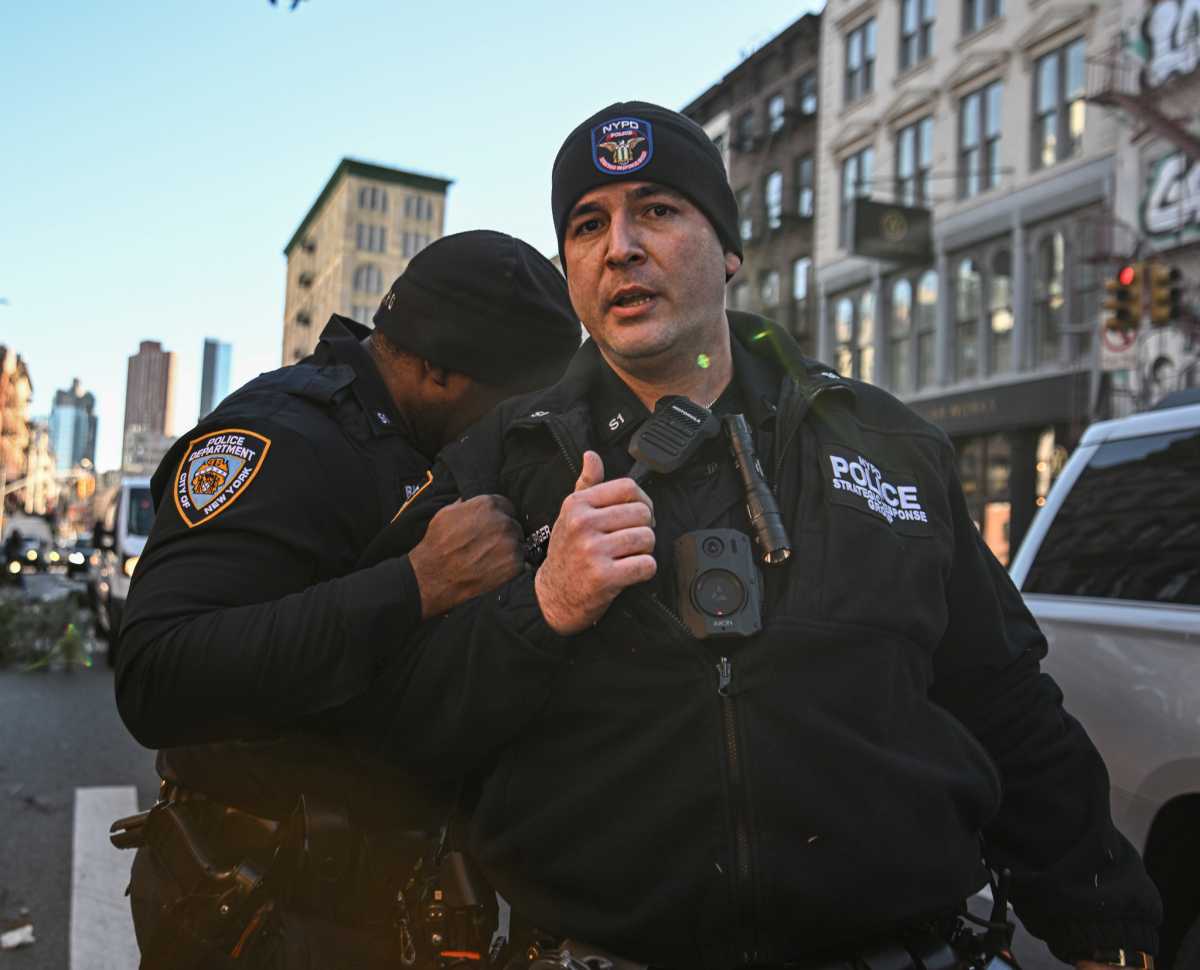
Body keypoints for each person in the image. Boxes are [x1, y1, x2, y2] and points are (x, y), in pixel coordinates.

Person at [358, 103, 1162, 970]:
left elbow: (1004, 700)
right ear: (570, 270)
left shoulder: (888, 443)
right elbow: (394, 725)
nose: (620, 246)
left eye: (658, 210)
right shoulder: (499, 462)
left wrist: (1109, 931)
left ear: (731, 250)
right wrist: (544, 607)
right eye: (588, 224)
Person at [112, 229, 582, 969]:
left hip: (386, 905)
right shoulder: (278, 434)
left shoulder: (420, 443)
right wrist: (416, 584)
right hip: (259, 912)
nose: (512, 429)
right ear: (437, 369)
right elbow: (157, 674)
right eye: (507, 405)